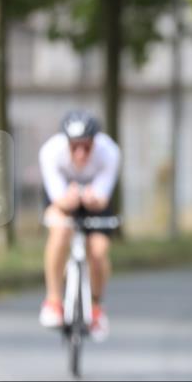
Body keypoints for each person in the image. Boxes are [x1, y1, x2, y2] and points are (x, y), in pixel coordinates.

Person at [37, 110, 121, 341]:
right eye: (75, 147)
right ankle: (53, 300)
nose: (81, 153)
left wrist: (93, 199)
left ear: (95, 141)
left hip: (96, 201)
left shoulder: (109, 152)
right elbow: (57, 198)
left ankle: (95, 307)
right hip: (63, 197)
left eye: (87, 146)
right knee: (60, 229)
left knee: (99, 250)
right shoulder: (51, 152)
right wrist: (67, 200)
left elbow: (103, 197)